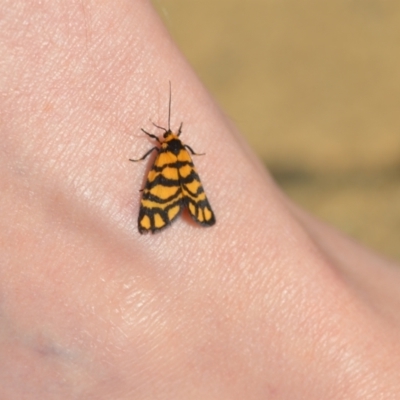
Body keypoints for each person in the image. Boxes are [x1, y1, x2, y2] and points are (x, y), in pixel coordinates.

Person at [1, 1, 400, 398]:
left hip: (162, 190)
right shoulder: (178, 153)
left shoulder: (163, 152)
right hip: (181, 183)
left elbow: (153, 165)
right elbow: (185, 177)